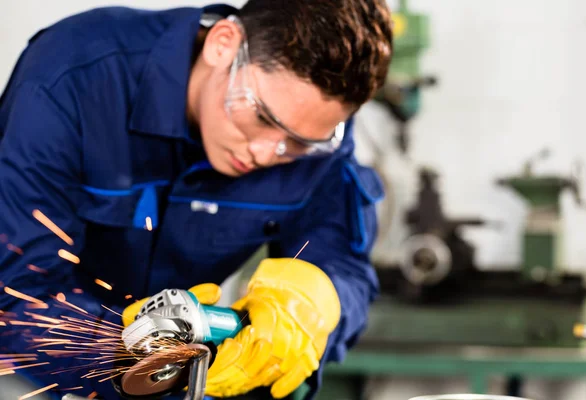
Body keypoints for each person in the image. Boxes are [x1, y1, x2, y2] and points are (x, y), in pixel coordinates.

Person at [0, 1, 392, 399]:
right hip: (38, 374)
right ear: (223, 44)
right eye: (263, 118)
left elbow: (343, 265)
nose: (267, 152)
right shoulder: (74, 76)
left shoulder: (312, 127)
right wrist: (126, 350)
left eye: (298, 141)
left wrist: (316, 302)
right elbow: (15, 296)